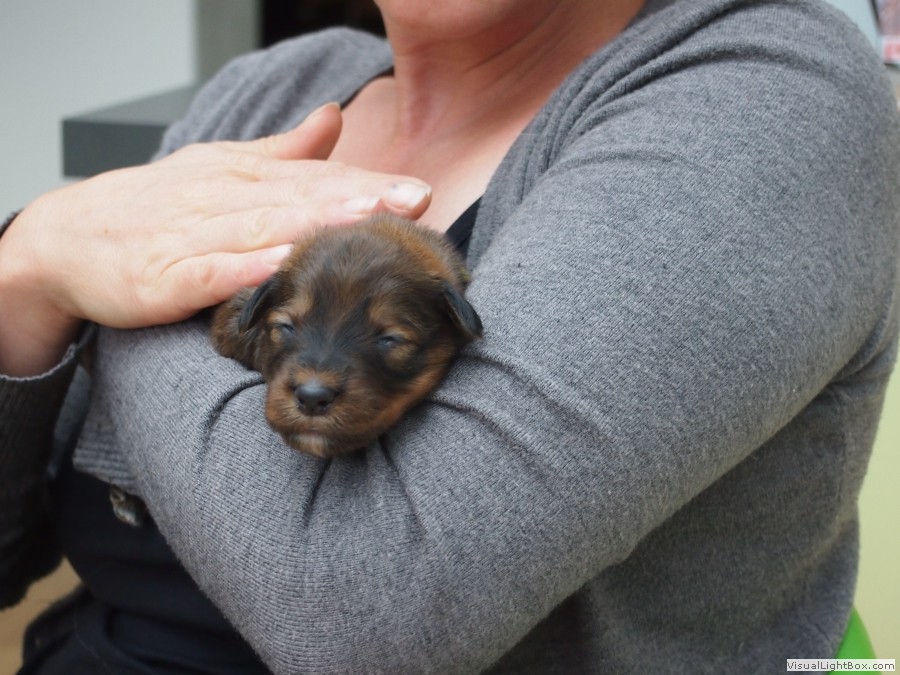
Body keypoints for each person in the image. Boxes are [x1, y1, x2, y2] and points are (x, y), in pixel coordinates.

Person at [1, 0, 898, 672]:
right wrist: (26, 278)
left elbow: (363, 621)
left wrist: (122, 286)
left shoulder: (757, 92)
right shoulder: (268, 89)